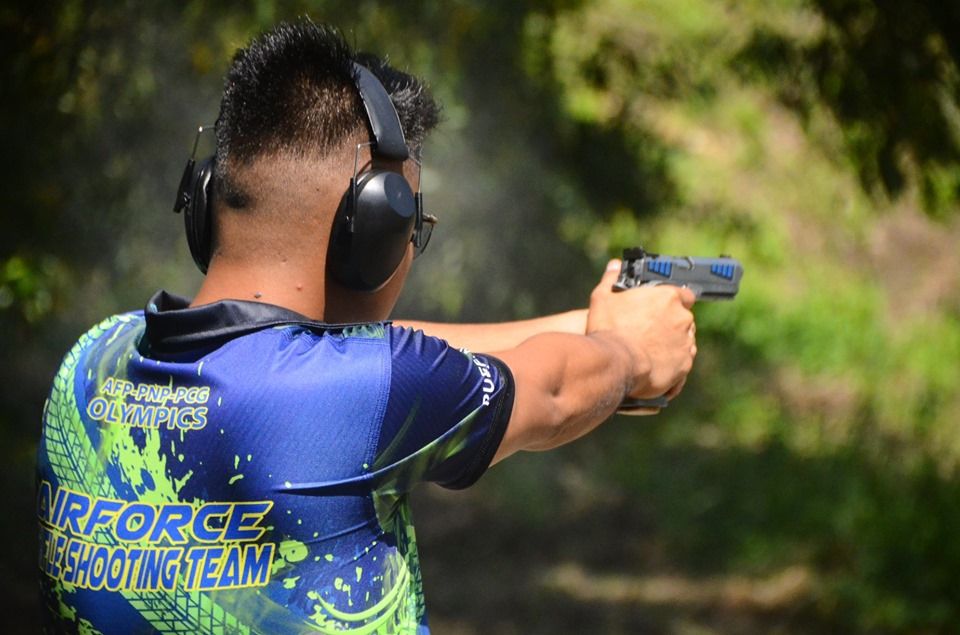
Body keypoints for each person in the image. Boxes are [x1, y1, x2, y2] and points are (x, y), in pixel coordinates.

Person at [36, 20, 696, 635]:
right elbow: (549, 392)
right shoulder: (364, 388)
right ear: (374, 226)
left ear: (207, 198)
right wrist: (629, 350)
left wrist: (587, 321)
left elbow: (351, 358)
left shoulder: (90, 361)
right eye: (413, 228)